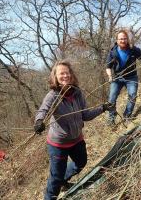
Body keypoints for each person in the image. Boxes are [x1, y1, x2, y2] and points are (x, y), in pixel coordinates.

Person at [34, 60, 112, 200]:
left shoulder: (77, 93)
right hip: (59, 144)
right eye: (61, 73)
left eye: (67, 73)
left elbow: (85, 115)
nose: (65, 76)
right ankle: (51, 196)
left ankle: (63, 180)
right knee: (55, 177)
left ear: (71, 74)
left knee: (80, 163)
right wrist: (39, 121)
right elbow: (43, 110)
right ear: (55, 77)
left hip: (77, 139)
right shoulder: (53, 95)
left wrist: (103, 108)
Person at [106, 29, 141, 126]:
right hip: (117, 78)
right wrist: (110, 76)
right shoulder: (113, 52)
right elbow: (108, 67)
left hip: (131, 77)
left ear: (127, 39)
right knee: (111, 98)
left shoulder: (134, 49)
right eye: (120, 39)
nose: (123, 41)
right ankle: (111, 119)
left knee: (132, 95)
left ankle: (127, 116)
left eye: (125, 39)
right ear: (117, 40)